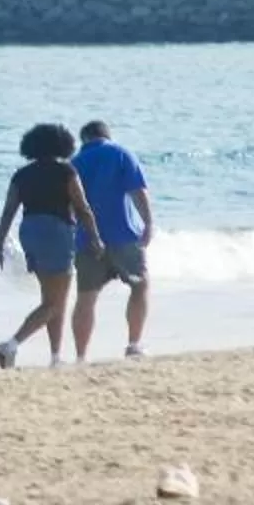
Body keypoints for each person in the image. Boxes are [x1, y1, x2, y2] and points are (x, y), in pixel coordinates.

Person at [0, 122, 105, 370]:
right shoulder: (66, 172)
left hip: (29, 231)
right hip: (57, 231)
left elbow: (9, 211)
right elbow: (82, 207)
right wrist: (95, 237)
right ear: (62, 145)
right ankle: (10, 345)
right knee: (54, 302)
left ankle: (55, 356)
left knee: (51, 298)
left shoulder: (22, 174)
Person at [70, 120, 155, 361]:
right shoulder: (121, 154)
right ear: (107, 135)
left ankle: (81, 356)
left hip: (87, 239)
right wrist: (148, 223)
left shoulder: (74, 163)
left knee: (86, 297)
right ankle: (133, 344)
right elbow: (138, 191)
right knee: (140, 285)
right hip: (123, 234)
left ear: (84, 139)